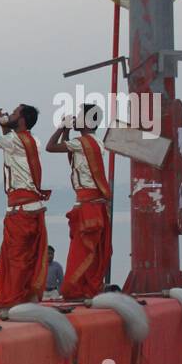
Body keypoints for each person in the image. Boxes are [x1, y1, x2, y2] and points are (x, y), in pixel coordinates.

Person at [0, 103, 50, 308]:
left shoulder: (14, 140)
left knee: (16, 259)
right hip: (32, 208)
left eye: (15, 113)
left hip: (21, 211)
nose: (11, 113)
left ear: (22, 120)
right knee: (25, 259)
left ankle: (12, 300)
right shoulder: (31, 139)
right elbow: (8, 141)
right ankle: (23, 298)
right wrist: (6, 124)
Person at [47, 103, 111, 300]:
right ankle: (86, 289)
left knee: (80, 252)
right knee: (88, 254)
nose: (75, 118)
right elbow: (70, 150)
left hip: (87, 206)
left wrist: (61, 127)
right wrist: (67, 131)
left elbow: (51, 147)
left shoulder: (82, 143)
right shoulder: (94, 143)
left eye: (79, 116)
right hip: (94, 205)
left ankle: (75, 290)